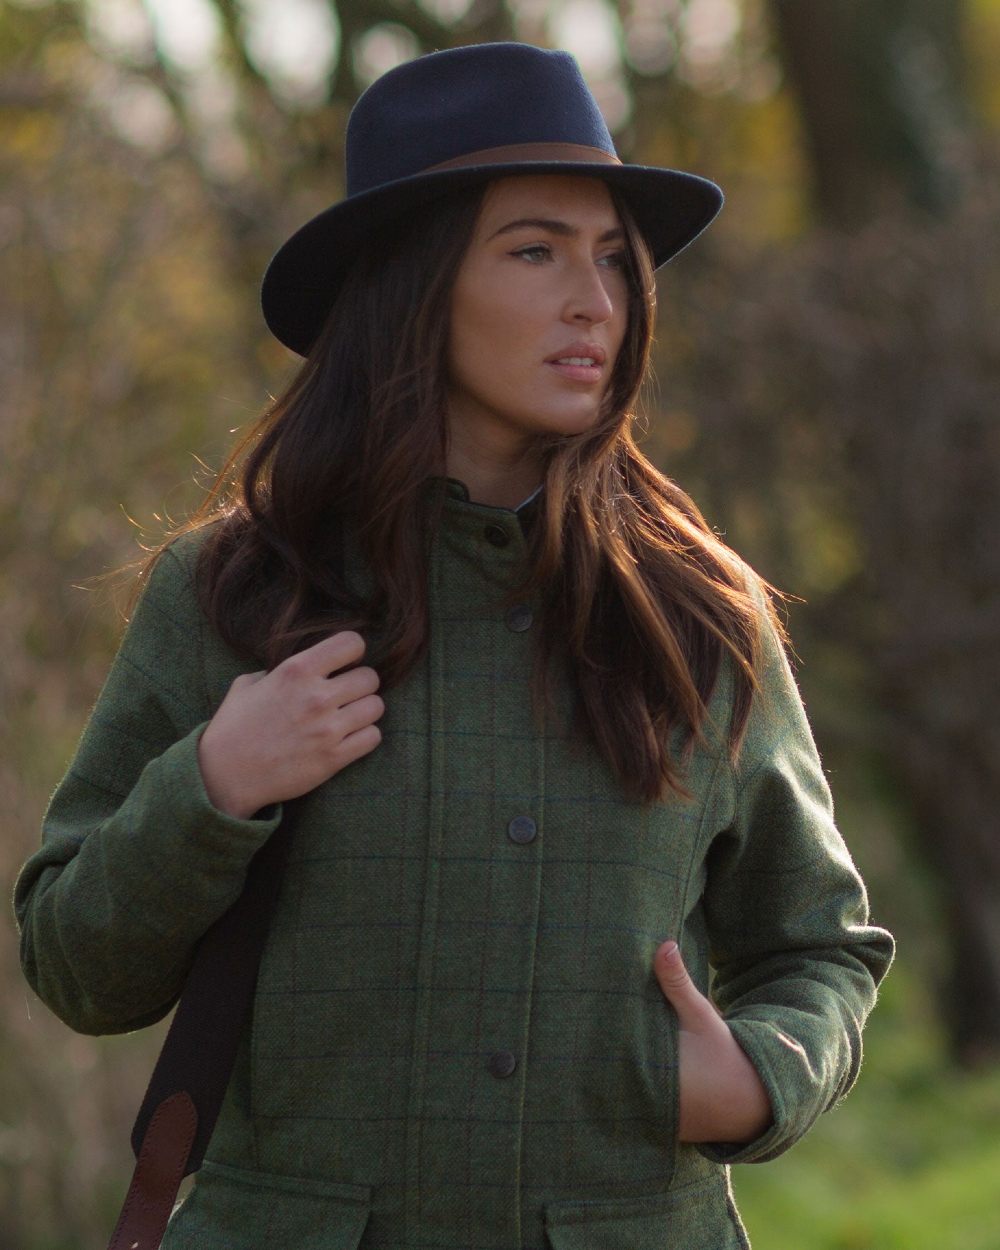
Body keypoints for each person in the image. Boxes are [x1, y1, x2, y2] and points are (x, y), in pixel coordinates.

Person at [14, 42, 894, 1250]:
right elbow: (74, 966)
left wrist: (760, 1075)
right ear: (412, 286)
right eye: (534, 250)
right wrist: (214, 784)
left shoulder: (701, 612)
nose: (593, 298)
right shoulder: (233, 590)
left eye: (611, 260)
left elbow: (819, 949)